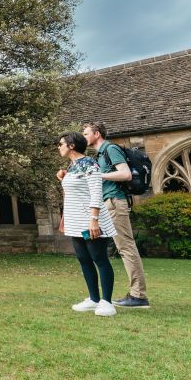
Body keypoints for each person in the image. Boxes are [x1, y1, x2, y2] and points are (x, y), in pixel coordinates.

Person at [82, 122, 150, 309]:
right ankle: (98, 296)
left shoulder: (110, 149)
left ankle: (138, 295)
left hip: (115, 203)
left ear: (97, 134)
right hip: (106, 203)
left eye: (86, 133)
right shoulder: (100, 154)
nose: (84, 136)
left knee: (126, 247)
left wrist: (98, 175)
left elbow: (125, 174)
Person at [56, 131, 118, 317]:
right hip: (76, 223)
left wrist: (94, 221)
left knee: (99, 259)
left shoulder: (89, 164)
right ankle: (93, 299)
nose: (59, 147)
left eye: (61, 144)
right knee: (84, 259)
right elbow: (76, 193)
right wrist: (63, 178)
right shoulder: (74, 166)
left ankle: (107, 302)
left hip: (89, 221)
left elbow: (96, 193)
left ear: (72, 146)